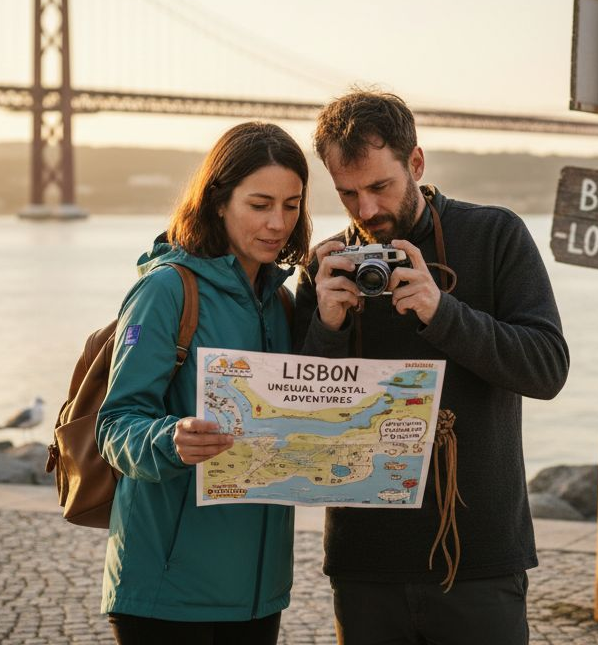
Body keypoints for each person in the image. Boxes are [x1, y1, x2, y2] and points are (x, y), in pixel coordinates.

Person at [296, 90, 569, 645]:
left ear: (416, 164)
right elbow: (298, 419)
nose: (366, 210)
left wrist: (442, 313)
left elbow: (547, 368)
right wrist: (326, 327)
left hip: (479, 554)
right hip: (363, 560)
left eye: (380, 187)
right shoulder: (327, 266)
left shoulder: (494, 235)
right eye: (347, 194)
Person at [96, 121, 312, 645]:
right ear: (218, 201)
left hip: (260, 593)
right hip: (166, 591)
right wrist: (169, 439)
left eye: (291, 205)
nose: (278, 222)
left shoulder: (282, 301)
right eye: (259, 204)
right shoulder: (166, 290)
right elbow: (114, 425)